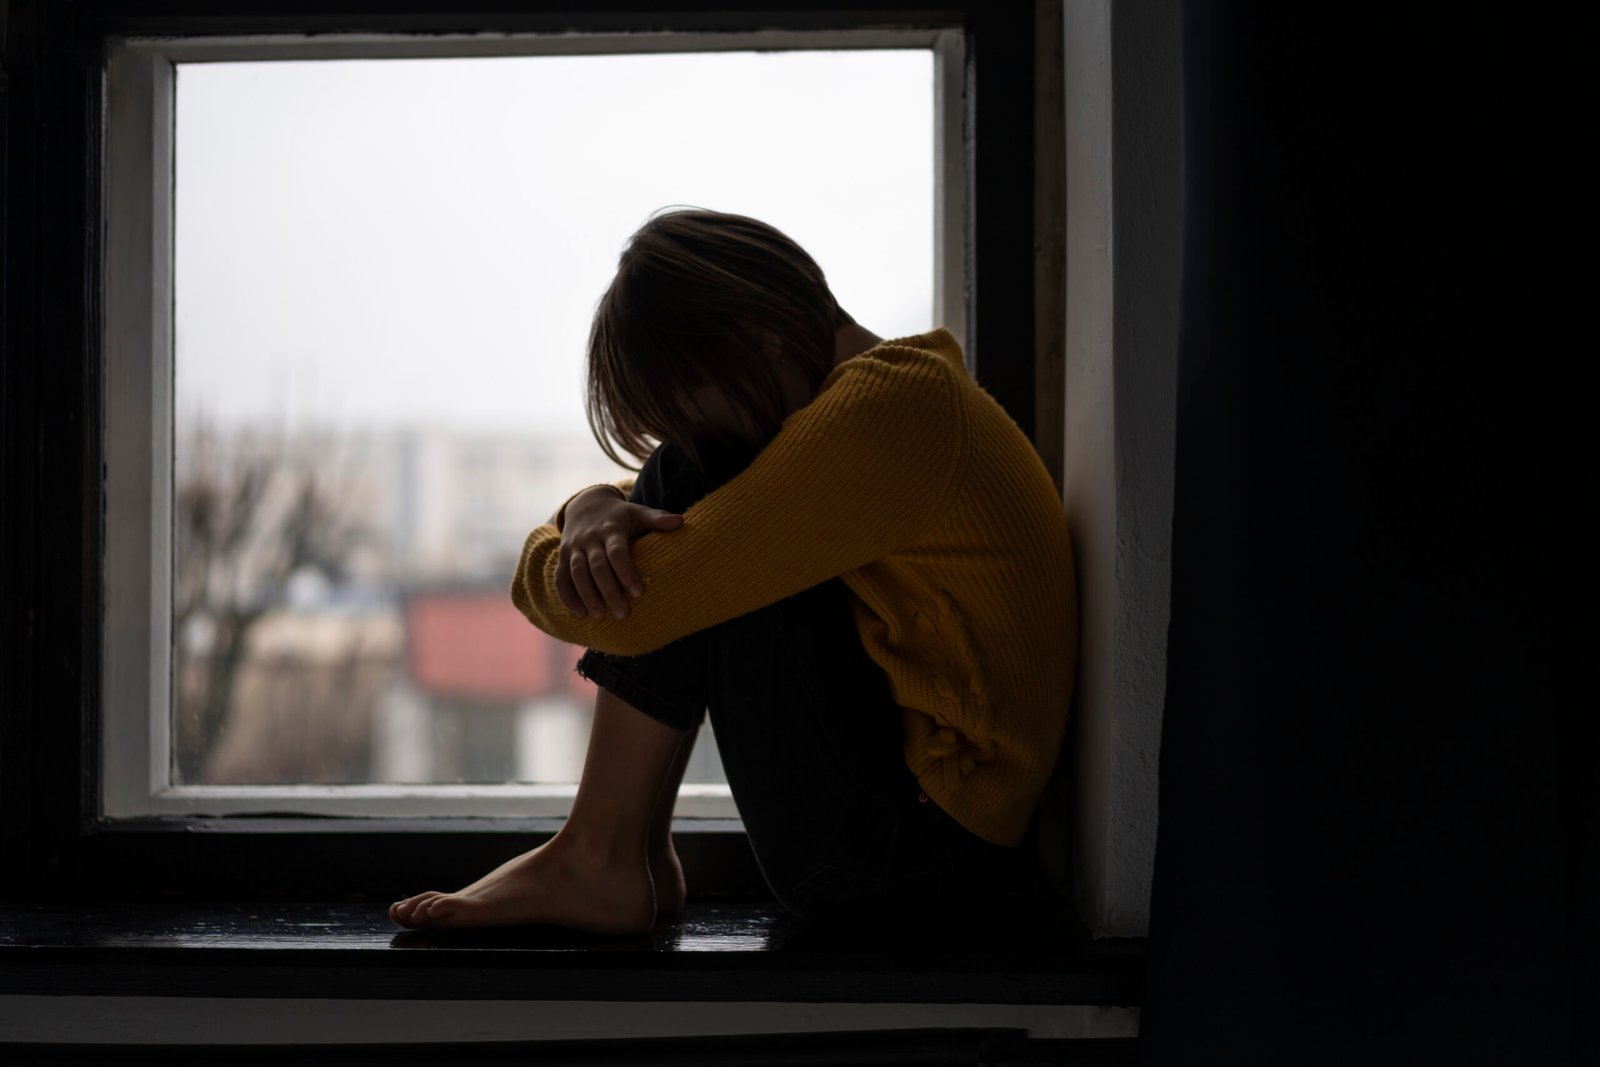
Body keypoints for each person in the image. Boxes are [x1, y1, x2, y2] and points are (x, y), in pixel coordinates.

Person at [389, 208, 1076, 934]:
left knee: (691, 478)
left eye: (686, 401)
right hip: (925, 837)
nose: (687, 429)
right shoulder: (898, 399)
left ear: (761, 333)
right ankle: (628, 849)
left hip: (911, 859)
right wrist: (590, 506)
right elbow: (667, 541)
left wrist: (548, 556)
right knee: (691, 483)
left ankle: (599, 853)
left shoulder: (889, 411)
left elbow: (639, 609)